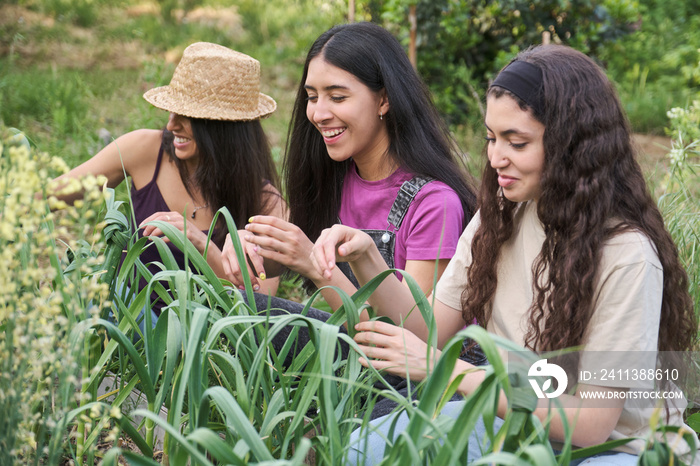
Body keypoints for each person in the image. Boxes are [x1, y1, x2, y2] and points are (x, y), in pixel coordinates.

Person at [311, 44, 699, 464]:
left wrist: (447, 370)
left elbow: (591, 423)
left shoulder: (627, 254)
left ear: (574, 147)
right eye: (492, 138)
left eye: (516, 142)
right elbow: (430, 330)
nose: (496, 158)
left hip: (618, 448)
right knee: (361, 451)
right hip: (518, 418)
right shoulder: (500, 214)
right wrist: (368, 258)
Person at [221, 22, 477, 313]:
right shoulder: (333, 178)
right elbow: (293, 255)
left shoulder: (434, 204)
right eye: (312, 97)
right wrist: (249, 248)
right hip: (350, 346)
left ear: (384, 99)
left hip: (402, 354)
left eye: (338, 97)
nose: (318, 114)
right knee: (232, 308)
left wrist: (315, 265)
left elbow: (409, 337)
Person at [49, 42, 285, 319]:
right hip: (121, 325)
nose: (172, 125)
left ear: (224, 128)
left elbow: (256, 314)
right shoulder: (146, 150)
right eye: (173, 111)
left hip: (201, 344)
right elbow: (51, 196)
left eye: (188, 116)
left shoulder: (266, 204)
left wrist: (203, 247)